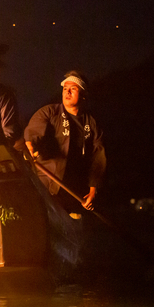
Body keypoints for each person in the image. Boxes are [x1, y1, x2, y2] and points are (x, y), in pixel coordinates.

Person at [24, 71, 106, 211]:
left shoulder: (91, 123)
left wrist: (93, 189)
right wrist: (30, 146)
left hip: (74, 189)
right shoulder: (49, 112)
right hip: (46, 184)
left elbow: (97, 156)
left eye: (73, 89)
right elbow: (34, 132)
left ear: (84, 95)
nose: (67, 92)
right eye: (65, 89)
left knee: (73, 226)